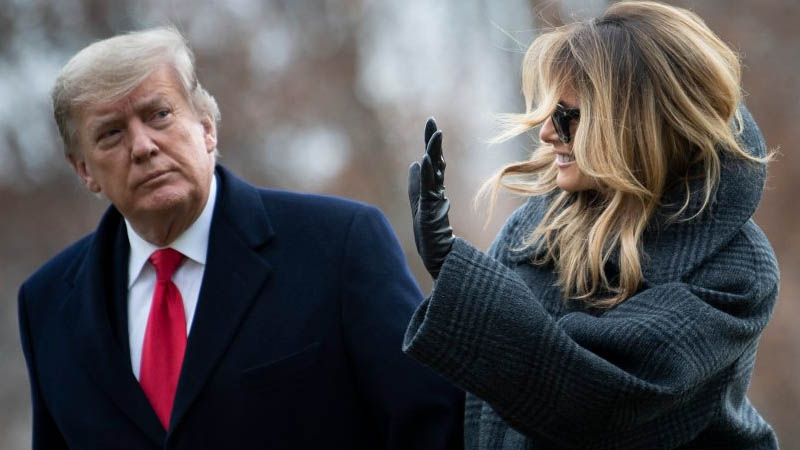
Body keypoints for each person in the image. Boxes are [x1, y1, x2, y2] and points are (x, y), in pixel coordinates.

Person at [18, 27, 464, 450]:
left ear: (206, 128)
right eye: (111, 133)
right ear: (84, 170)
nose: (142, 146)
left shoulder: (339, 245)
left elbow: (432, 427)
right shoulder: (46, 305)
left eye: (159, 115)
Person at [405, 1, 779, 449]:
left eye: (567, 117)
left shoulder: (737, 268)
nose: (547, 133)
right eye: (548, 112)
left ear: (638, 123)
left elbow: (601, 400)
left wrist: (460, 276)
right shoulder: (534, 229)